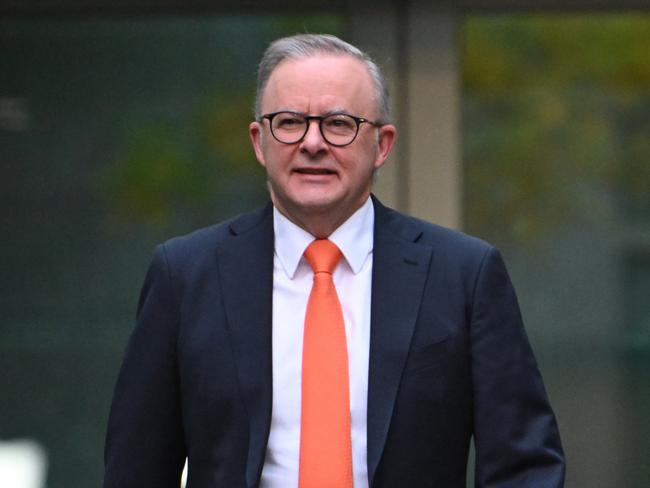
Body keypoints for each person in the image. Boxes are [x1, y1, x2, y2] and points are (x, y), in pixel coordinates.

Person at [103, 33, 565, 488]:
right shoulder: (185, 275)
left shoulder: (464, 275)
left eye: (339, 124)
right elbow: (137, 469)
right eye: (289, 122)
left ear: (382, 145)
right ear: (259, 141)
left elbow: (524, 467)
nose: (312, 143)